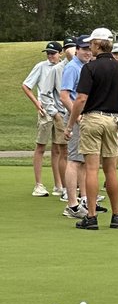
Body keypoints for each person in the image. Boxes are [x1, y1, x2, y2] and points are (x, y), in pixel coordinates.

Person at [64, 27, 118, 230]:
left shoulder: (90, 68)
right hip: (113, 121)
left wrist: (70, 125)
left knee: (92, 168)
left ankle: (91, 217)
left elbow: (81, 99)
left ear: (96, 44)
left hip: (93, 120)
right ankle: (116, 216)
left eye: (91, 44)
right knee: (110, 169)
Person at [21, 42, 66, 197]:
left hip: (61, 111)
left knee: (58, 148)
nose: (50, 55)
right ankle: (38, 185)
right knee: (41, 146)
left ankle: (58, 185)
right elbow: (26, 85)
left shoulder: (64, 67)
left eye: (53, 53)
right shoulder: (41, 66)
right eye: (48, 53)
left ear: (61, 53)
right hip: (45, 111)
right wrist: (37, 103)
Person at [60, 35, 93, 218]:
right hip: (75, 116)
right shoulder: (72, 67)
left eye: (90, 49)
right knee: (74, 160)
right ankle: (72, 205)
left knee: (82, 160)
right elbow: (64, 96)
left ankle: (84, 200)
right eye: (84, 49)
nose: (87, 52)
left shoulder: (85, 67)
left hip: (84, 116)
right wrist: (77, 116)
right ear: (77, 49)